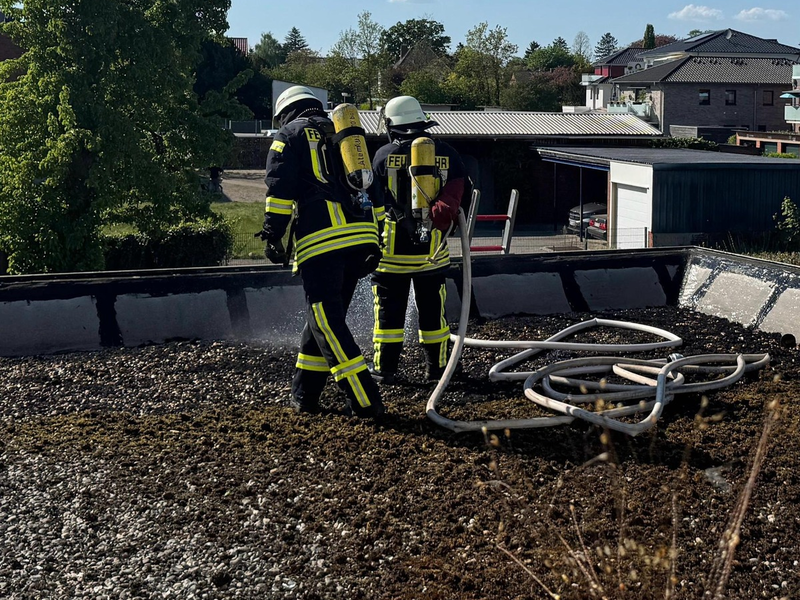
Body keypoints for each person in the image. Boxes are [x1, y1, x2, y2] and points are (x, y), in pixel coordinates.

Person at [259, 85, 384, 418]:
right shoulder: (343, 135)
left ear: (286, 112)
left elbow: (280, 190)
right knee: (323, 319)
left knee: (327, 322)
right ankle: (305, 395)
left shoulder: (289, 135)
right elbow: (374, 188)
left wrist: (273, 234)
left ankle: (365, 400)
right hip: (362, 240)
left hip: (324, 242)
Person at [368, 96, 468, 385]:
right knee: (434, 316)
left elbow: (374, 200)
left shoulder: (383, 155)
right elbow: (459, 193)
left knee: (388, 316)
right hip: (432, 254)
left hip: (391, 256)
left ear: (392, 124)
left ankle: (385, 370)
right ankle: (437, 369)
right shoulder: (448, 153)